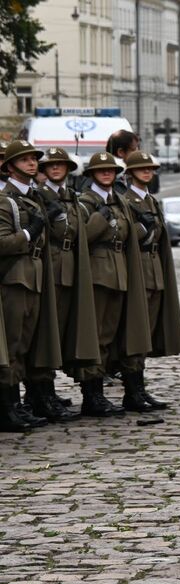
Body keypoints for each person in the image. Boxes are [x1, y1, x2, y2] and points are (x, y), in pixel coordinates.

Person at [24, 147, 100, 422]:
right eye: (51, 165)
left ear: (68, 168)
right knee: (45, 333)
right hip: (49, 267)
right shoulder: (39, 196)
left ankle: (46, 393)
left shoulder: (71, 196)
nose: (56, 169)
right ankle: (39, 394)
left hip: (69, 267)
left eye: (61, 165)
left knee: (64, 331)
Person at [77, 152, 151, 417]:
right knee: (96, 336)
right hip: (99, 272)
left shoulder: (118, 200)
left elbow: (129, 232)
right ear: (92, 174)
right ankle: (92, 395)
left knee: (112, 335)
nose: (107, 173)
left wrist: (145, 229)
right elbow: (82, 237)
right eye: (101, 170)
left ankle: (123, 391)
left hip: (119, 270)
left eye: (111, 170)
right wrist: (100, 218)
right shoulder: (87, 202)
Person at [0, 140, 61, 431]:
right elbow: (2, 243)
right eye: (23, 159)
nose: (32, 162)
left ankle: (19, 404)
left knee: (25, 345)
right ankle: (7, 407)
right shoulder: (5, 199)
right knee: (11, 345)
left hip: (34, 274)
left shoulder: (33, 196)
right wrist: (29, 231)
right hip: (16, 278)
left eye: (33, 158)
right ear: (10, 166)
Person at [120, 151, 180, 410]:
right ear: (130, 172)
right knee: (135, 332)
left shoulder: (151, 201)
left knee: (146, 333)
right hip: (140, 269)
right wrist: (142, 229)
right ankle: (132, 390)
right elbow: (127, 234)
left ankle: (139, 387)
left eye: (150, 169)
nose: (147, 172)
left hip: (155, 269)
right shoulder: (127, 201)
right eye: (142, 168)